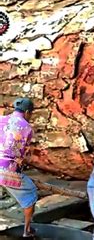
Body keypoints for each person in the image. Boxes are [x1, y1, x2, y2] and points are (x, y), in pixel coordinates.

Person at [0, 97, 37, 238]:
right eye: (31, 114)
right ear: (27, 112)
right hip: (6, 170)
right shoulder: (26, 127)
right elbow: (21, 154)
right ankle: (27, 231)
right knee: (31, 194)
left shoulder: (1, 119)